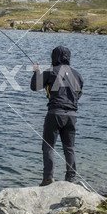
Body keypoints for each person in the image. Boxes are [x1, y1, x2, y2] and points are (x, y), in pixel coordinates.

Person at [30, 46, 83, 186]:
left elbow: (35, 86)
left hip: (54, 113)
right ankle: (71, 179)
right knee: (69, 148)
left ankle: (48, 178)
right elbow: (78, 94)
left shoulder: (50, 72)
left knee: (48, 146)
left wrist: (36, 72)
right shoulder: (77, 74)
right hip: (72, 115)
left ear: (54, 57)